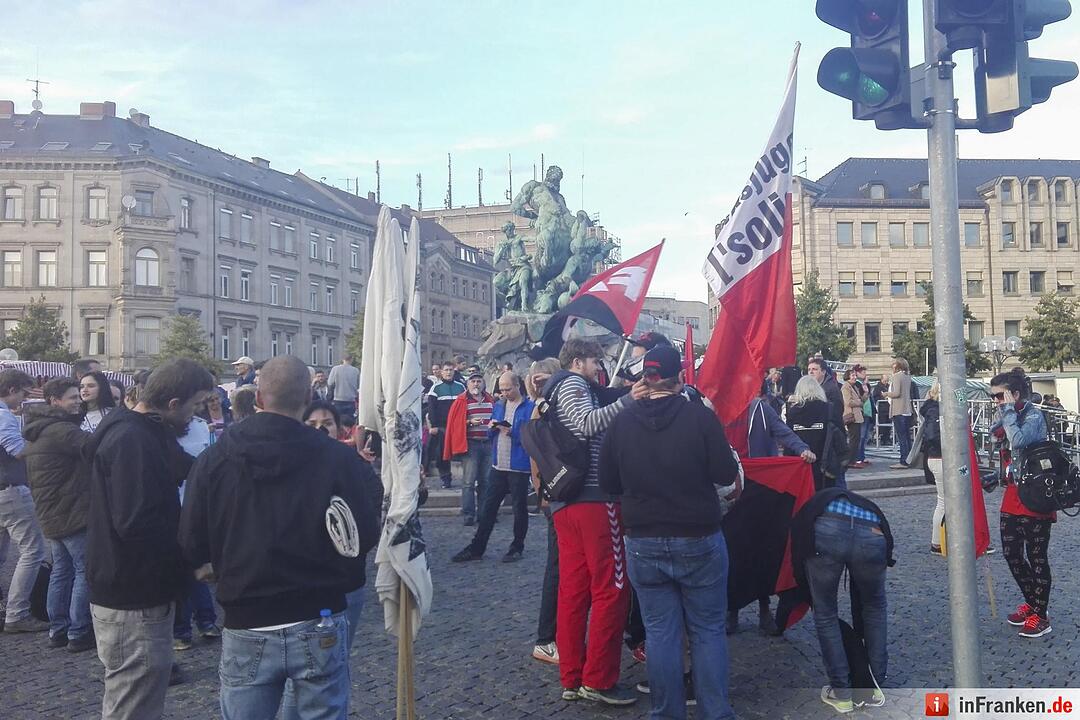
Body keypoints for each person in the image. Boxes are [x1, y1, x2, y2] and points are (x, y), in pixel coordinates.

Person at [179, 356, 381, 720]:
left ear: (258, 397)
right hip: (318, 611)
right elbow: (364, 533)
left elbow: (191, 538)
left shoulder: (215, 457)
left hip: (247, 613)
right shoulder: (337, 457)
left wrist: (213, 564)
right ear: (308, 396)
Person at [599, 345, 740, 719]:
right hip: (698, 536)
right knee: (707, 631)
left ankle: (666, 713)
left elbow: (608, 482)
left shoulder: (622, 423)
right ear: (679, 377)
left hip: (643, 539)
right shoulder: (700, 417)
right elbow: (726, 474)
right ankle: (716, 713)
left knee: (660, 634)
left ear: (646, 378)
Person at [85, 359, 215, 720]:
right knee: (133, 701)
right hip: (132, 594)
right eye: (196, 404)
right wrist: (192, 560)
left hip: (137, 590)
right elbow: (137, 523)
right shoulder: (132, 439)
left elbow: (192, 469)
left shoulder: (147, 430)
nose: (197, 413)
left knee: (140, 695)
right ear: (173, 403)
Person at [546, 338, 645, 706]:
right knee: (611, 589)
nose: (599, 367)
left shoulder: (558, 388)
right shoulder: (572, 384)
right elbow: (587, 424)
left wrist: (614, 394)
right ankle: (599, 679)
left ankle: (572, 675)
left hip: (568, 505)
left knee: (574, 591)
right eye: (594, 361)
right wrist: (628, 400)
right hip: (594, 500)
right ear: (577, 361)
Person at [791, 486, 893, 713]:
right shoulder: (864, 505)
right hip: (872, 532)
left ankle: (842, 692)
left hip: (827, 531)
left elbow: (798, 546)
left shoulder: (813, 507)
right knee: (875, 607)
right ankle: (875, 684)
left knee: (825, 613)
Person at [22, 378, 95, 651]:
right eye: (73, 397)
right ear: (55, 401)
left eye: (79, 396)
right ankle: (78, 631)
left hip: (52, 511)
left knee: (62, 572)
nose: (78, 401)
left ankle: (58, 629)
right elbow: (96, 446)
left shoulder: (40, 428)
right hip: (71, 511)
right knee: (83, 570)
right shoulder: (61, 430)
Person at [991, 368, 1054, 639]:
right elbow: (998, 439)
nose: (996, 401)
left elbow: (1017, 441)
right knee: (1011, 553)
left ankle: (1041, 615)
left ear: (1014, 394)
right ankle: (1033, 602)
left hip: (1036, 493)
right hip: (1013, 492)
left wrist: (1007, 414)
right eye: (993, 397)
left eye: (999, 396)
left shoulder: (1033, 416)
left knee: (1037, 556)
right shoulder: (1008, 414)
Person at [452, 371, 535, 563]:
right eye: (502, 389)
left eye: (508, 389)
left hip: (518, 467)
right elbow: (491, 433)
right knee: (488, 508)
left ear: (517, 386)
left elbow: (532, 437)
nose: (504, 393)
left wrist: (512, 432)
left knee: (519, 508)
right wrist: (492, 428)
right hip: (499, 464)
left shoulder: (530, 408)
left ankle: (517, 547)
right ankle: (477, 547)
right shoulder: (499, 406)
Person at [0, 369, 49, 633]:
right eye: (22, 393)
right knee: (33, 551)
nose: (23, 399)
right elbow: (17, 450)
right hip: (10, 490)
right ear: (11, 390)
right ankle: (17, 613)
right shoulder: (3, 416)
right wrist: (40, 443)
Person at [527, 357, 563, 666]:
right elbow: (540, 459)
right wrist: (544, 494)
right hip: (554, 497)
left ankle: (554, 634)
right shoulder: (544, 409)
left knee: (561, 566)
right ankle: (546, 638)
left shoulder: (544, 407)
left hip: (553, 495)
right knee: (556, 567)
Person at [442, 369, 495, 525]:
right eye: (473, 381)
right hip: (471, 445)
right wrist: (469, 422)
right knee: (469, 481)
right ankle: (468, 514)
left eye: (479, 381)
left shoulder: (490, 400)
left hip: (488, 444)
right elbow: (455, 423)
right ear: (468, 384)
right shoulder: (461, 401)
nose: (476, 384)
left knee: (486, 481)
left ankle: (484, 513)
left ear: (483, 384)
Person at [786, 376, 833, 491]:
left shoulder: (793, 412)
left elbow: (789, 438)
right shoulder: (828, 409)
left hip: (799, 462)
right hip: (824, 462)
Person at [808, 358, 848, 488]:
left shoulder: (830, 388)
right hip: (825, 437)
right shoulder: (818, 387)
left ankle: (842, 497)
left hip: (833, 438)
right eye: (809, 369)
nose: (811, 372)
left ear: (823, 371)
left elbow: (835, 414)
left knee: (836, 475)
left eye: (814, 369)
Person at [426, 362, 465, 489]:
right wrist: (433, 425)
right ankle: (446, 477)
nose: (448, 372)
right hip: (442, 427)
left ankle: (468, 478)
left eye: (451, 370)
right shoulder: (435, 388)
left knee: (464, 451)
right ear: (442, 372)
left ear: (454, 371)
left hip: (459, 426)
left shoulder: (461, 387)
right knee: (442, 453)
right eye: (446, 370)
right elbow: (431, 408)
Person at [886, 358, 913, 470]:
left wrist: (886, 393)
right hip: (907, 410)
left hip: (899, 409)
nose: (892, 367)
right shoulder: (907, 377)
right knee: (907, 437)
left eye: (893, 365)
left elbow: (896, 393)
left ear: (897, 366)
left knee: (901, 438)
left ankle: (903, 461)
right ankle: (909, 459)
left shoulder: (897, 376)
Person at [841, 369, 868, 470]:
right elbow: (848, 402)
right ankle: (851, 461)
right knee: (853, 439)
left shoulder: (855, 387)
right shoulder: (846, 387)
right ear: (847, 376)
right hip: (851, 416)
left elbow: (862, 400)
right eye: (852, 375)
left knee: (856, 439)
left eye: (855, 375)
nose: (854, 377)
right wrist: (859, 402)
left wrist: (866, 392)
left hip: (857, 415)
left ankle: (853, 460)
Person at [327, 354, 361, 425]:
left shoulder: (335, 369)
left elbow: (330, 383)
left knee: (338, 421)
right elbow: (359, 385)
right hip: (351, 400)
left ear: (342, 359)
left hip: (338, 399)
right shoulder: (356, 370)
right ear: (351, 359)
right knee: (350, 423)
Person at [871, 373, 891, 446]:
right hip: (882, 408)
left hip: (889, 408)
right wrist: (882, 397)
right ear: (881, 379)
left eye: (887, 380)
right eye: (885, 380)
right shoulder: (877, 387)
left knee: (889, 424)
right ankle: (882, 438)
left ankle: (887, 438)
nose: (886, 382)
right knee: (882, 425)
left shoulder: (889, 386)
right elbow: (875, 397)